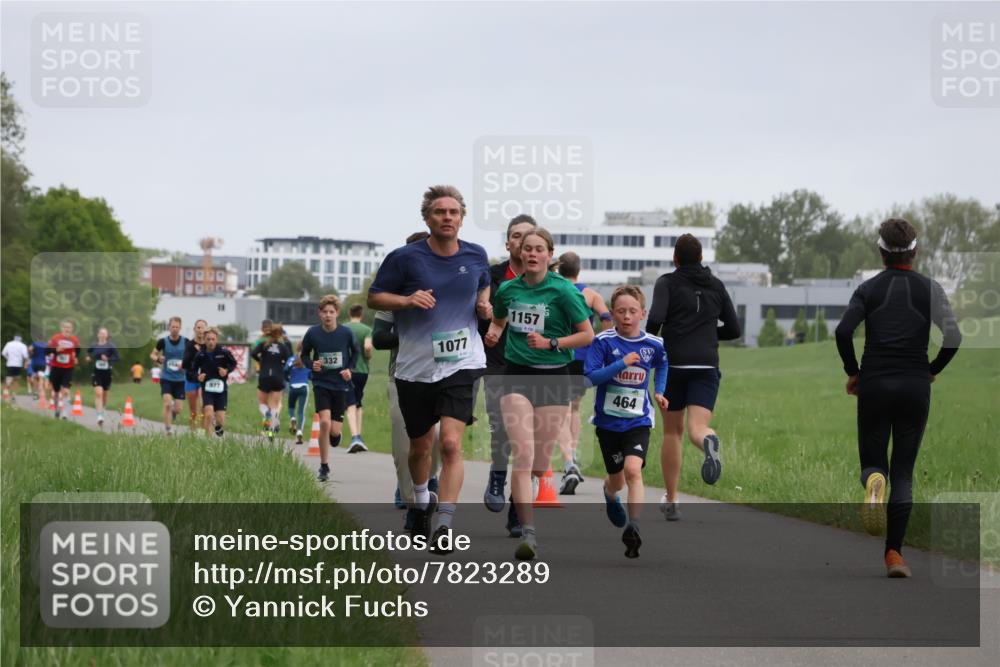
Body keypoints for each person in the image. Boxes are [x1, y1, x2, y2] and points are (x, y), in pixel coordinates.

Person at [835, 218, 961, 578]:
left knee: (875, 464)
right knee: (903, 472)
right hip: (914, 386)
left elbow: (844, 331)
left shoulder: (869, 289)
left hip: (874, 384)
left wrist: (853, 371)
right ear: (915, 251)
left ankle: (875, 482)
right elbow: (953, 336)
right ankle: (894, 554)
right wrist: (932, 368)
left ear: (881, 252)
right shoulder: (930, 289)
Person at [368, 185, 492, 552]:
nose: (448, 218)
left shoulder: (476, 254)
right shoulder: (404, 258)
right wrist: (407, 299)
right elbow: (375, 297)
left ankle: (445, 524)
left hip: (463, 362)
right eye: (440, 212)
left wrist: (484, 306)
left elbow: (483, 287)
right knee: (421, 447)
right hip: (416, 367)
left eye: (454, 212)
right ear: (428, 218)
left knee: (451, 444)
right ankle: (421, 501)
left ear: (462, 218)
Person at [485, 228, 595, 560]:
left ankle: (528, 491)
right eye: (527, 249)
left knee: (539, 464)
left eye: (539, 249)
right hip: (516, 376)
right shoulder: (508, 289)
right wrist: (495, 330)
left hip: (554, 379)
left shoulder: (563, 291)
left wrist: (552, 343)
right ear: (519, 253)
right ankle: (528, 533)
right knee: (522, 453)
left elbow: (587, 335)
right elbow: (500, 317)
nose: (532, 254)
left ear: (549, 255)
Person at [645, 234, 741, 521]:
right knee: (698, 428)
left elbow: (655, 321)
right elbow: (734, 329)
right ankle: (709, 441)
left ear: (675, 258)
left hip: (674, 365)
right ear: (701, 258)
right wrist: (709, 333)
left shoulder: (667, 282)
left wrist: (650, 343)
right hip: (706, 366)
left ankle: (672, 499)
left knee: (673, 432)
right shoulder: (716, 285)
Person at [584, 285, 668, 558]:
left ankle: (634, 527)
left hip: (638, 421)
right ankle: (610, 494)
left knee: (634, 471)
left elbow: (663, 364)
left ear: (642, 313)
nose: (627, 316)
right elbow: (590, 378)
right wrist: (621, 364)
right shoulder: (603, 342)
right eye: (621, 311)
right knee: (617, 480)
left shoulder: (653, 344)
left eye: (633, 311)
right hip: (608, 424)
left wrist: (659, 390)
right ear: (613, 314)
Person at [477, 214, 536, 537]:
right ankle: (498, 472)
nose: (521, 241)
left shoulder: (549, 281)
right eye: (515, 236)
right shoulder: (493, 274)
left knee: (529, 444)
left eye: (528, 236)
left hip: (539, 366)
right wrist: (484, 310)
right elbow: (481, 303)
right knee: (504, 428)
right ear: (509, 243)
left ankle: (517, 512)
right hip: (499, 363)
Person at [555, 250, 613, 494]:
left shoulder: (555, 290)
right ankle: (574, 455)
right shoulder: (590, 294)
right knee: (575, 408)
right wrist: (599, 340)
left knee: (560, 410)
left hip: (558, 354)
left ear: (558, 269)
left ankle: (569, 462)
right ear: (578, 270)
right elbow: (607, 317)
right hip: (583, 357)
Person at [301, 294, 359, 482]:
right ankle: (324, 466)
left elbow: (355, 352)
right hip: (321, 383)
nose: (328, 315)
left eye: (331, 312)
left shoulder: (346, 333)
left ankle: (336, 435)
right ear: (319, 314)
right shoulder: (312, 333)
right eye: (324, 312)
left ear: (337, 313)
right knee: (324, 423)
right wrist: (312, 365)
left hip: (340, 385)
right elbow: (304, 354)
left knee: (334, 430)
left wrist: (349, 369)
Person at [193, 327, 238, 437]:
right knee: (208, 413)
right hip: (207, 388)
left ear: (216, 339)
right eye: (208, 339)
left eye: (213, 339)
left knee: (220, 418)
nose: (211, 342)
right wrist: (198, 376)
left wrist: (226, 371)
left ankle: (218, 426)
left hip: (221, 389)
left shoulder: (224, 352)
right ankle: (208, 440)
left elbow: (234, 364)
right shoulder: (200, 354)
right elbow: (192, 369)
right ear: (204, 339)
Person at [251, 322, 293, 440]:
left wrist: (261, 360)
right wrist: (283, 364)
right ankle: (272, 430)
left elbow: (253, 353)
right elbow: (290, 359)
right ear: (280, 334)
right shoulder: (283, 347)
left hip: (264, 376)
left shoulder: (264, 344)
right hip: (278, 377)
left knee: (263, 404)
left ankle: (266, 415)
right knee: (275, 405)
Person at [343, 304, 374, 453]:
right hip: (362, 371)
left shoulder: (343, 328)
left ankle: (355, 437)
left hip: (347, 370)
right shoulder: (367, 329)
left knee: (350, 403)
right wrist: (368, 356)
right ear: (361, 314)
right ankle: (359, 436)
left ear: (350, 313)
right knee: (358, 403)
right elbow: (368, 348)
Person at [151, 317, 188, 435]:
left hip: (180, 379)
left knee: (178, 409)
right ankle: (168, 429)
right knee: (167, 403)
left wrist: (185, 365)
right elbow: (152, 354)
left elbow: (192, 358)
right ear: (169, 327)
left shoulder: (186, 342)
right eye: (173, 327)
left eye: (177, 327)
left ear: (180, 328)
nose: (175, 329)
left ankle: (173, 413)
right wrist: (158, 358)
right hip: (166, 377)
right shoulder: (163, 342)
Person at [46, 320, 81, 419]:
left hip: (68, 368)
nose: (67, 329)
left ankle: (65, 413)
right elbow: (47, 351)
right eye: (65, 327)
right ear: (61, 328)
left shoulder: (74, 340)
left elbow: (78, 349)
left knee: (65, 390)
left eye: (69, 327)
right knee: (56, 390)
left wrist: (76, 357)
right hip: (56, 367)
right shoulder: (55, 338)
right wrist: (55, 350)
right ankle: (57, 410)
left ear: (72, 329)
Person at [85, 328, 120, 427]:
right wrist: (88, 358)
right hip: (96, 373)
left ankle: (103, 409)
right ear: (98, 335)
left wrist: (108, 359)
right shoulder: (94, 345)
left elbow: (118, 358)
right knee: (98, 393)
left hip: (107, 373)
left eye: (105, 333)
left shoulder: (111, 346)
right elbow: (88, 353)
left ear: (107, 335)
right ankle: (99, 416)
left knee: (104, 394)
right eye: (101, 333)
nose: (103, 335)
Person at [182, 319, 208, 429]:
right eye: (198, 327)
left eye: (202, 327)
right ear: (194, 329)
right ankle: (193, 432)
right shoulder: (189, 344)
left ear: (206, 330)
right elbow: (185, 363)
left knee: (203, 405)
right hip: (191, 378)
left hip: (204, 379)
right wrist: (195, 351)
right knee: (193, 410)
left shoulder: (209, 344)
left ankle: (202, 432)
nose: (200, 330)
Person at [286, 341, 311, 444]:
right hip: (304, 387)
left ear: (296, 348)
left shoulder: (292, 359)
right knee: (301, 412)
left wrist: (288, 379)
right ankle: (299, 431)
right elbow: (312, 374)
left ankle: (292, 418)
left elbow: (285, 370)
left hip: (292, 387)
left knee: (291, 407)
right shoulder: (308, 360)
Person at [2, 335, 30, 400]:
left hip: (10, 363)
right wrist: (25, 363)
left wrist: (8, 358)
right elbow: (25, 356)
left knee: (9, 379)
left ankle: (6, 392)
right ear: (20, 339)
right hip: (18, 364)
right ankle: (14, 395)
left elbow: (3, 353)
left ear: (14, 339)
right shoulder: (23, 345)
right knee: (16, 380)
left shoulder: (9, 344)